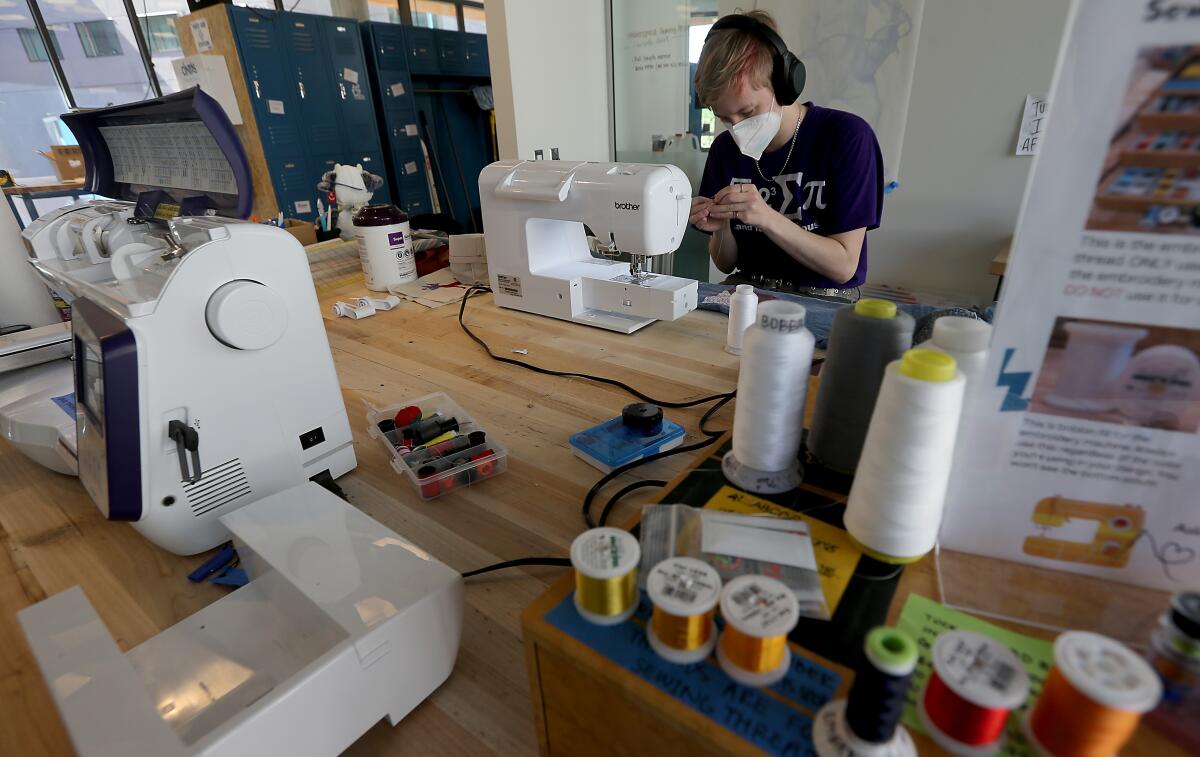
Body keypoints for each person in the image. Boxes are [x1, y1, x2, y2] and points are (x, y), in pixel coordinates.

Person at [690, 11, 884, 301]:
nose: (738, 128)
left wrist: (766, 217)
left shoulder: (846, 137)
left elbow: (843, 266)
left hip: (821, 298)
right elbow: (725, 262)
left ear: (783, 85)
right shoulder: (724, 149)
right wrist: (721, 230)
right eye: (725, 119)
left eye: (747, 112)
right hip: (747, 289)